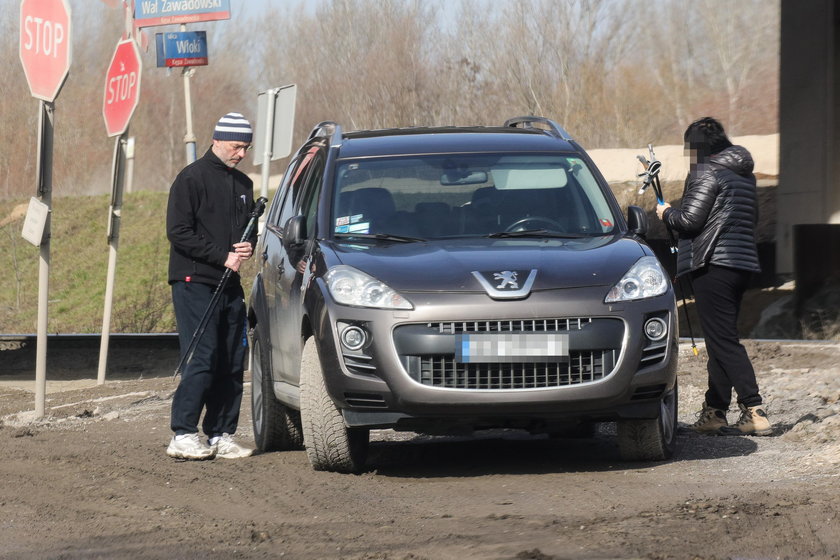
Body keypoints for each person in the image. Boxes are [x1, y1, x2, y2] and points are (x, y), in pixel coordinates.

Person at [656, 116, 772, 436]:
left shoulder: (706, 170)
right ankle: (715, 412)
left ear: (697, 148)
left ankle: (754, 408)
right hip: (742, 264)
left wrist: (665, 212)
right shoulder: (743, 175)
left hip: (713, 265)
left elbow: (690, 221)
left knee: (723, 341)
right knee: (720, 340)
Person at [165, 112, 258, 459]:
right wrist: (222, 257)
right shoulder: (190, 179)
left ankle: (221, 434)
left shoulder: (245, 185)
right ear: (217, 140)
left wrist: (249, 246)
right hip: (194, 282)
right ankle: (183, 434)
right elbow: (178, 232)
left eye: (246, 148)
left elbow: (248, 232)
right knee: (202, 357)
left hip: (229, 283)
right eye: (236, 146)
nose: (241, 154)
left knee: (232, 359)